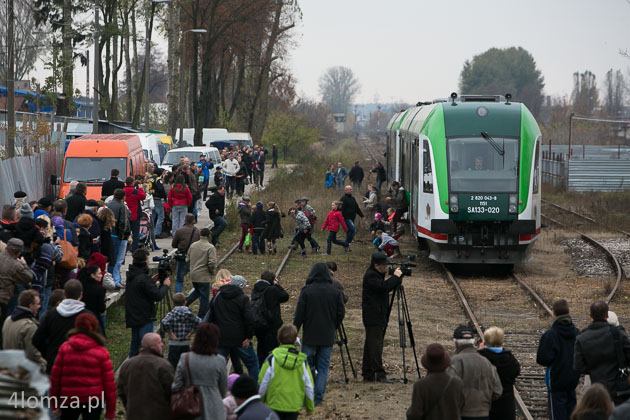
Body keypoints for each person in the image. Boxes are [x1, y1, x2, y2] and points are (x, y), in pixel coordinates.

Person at [293, 262, 345, 405]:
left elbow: (299, 315)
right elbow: (341, 312)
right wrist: (333, 325)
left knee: (307, 367)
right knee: (323, 367)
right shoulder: (335, 291)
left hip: (310, 335)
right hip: (327, 335)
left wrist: (295, 331)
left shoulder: (307, 291)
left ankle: (307, 396)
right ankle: (318, 398)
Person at [49, 313, 116, 420]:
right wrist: (110, 411)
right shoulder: (101, 351)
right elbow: (109, 384)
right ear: (94, 327)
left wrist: (55, 404)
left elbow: (55, 379)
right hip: (93, 399)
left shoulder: (65, 348)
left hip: (69, 398)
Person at [32, 280, 97, 374]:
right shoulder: (89, 317)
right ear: (81, 294)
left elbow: (37, 340)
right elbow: (99, 342)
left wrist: (49, 353)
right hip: (80, 365)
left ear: (65, 294)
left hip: (54, 362)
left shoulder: (50, 315)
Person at [574, 300, 630, 404]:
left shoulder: (582, 337)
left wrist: (594, 369)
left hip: (596, 387)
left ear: (590, 315)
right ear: (607, 315)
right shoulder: (619, 334)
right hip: (618, 389)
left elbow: (579, 366)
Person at [172, 322, 228, 420]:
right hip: (214, 408)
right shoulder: (220, 360)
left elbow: (176, 385)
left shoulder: (185, 358)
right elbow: (223, 389)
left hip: (190, 407)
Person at [258, 324, 315, 419]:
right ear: (295, 340)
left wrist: (260, 402)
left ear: (279, 339)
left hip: (274, 404)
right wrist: (310, 407)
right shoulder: (302, 362)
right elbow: (309, 386)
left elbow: (263, 383)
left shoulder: (271, 360)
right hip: (294, 405)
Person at [536, 299, 580, 420]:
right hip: (572, 379)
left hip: (556, 380)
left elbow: (542, 359)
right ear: (569, 312)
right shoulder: (576, 333)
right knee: (571, 412)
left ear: (554, 312)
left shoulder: (550, 334)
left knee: (557, 413)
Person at [361, 252, 402, 382]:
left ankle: (368, 372)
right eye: (384, 265)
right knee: (375, 345)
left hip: (377, 314)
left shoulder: (374, 274)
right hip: (374, 316)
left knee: (371, 344)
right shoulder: (371, 276)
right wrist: (395, 278)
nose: (385, 267)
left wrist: (394, 278)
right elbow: (383, 287)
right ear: (376, 265)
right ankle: (379, 373)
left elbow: (383, 286)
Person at [447, 325, 503, 420]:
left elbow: (448, 390)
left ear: (455, 343)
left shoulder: (453, 362)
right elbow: (497, 391)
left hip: (460, 414)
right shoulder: (487, 362)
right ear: (473, 342)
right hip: (483, 415)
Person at [210, 275, 260, 379]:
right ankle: (254, 389)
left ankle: (217, 388)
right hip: (240, 339)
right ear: (240, 286)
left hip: (221, 338)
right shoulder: (243, 298)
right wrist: (249, 337)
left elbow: (211, 314)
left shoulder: (218, 296)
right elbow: (249, 319)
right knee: (252, 363)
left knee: (217, 365)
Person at [125, 248, 171, 357]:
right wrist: (165, 286)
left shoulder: (132, 275)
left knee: (135, 346)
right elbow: (158, 295)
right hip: (145, 316)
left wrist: (150, 282)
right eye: (147, 259)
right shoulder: (143, 279)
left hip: (133, 315)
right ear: (143, 261)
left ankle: (131, 368)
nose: (148, 262)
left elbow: (140, 289)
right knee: (146, 346)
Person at [117, 332, 174, 420]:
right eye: (159, 342)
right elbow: (171, 391)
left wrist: (129, 406)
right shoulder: (163, 365)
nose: (162, 344)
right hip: (159, 415)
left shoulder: (127, 365)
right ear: (152, 346)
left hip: (133, 414)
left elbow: (121, 390)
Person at [406, 343, 465, 420]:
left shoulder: (420, 385)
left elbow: (414, 414)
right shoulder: (457, 383)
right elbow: (461, 406)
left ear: (427, 363)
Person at [478, 326, 521, 420]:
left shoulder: (480, 358)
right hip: (506, 404)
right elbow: (516, 372)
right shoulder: (510, 359)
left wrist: (480, 351)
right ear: (501, 341)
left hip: (484, 403)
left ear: (485, 342)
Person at [0, 238, 34, 347]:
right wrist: (24, 264)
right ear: (19, 252)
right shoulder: (16, 265)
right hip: (2, 300)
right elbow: (29, 277)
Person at [251, 270, 290, 366]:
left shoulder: (256, 289)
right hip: (272, 326)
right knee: (272, 351)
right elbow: (285, 296)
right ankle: (270, 370)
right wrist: (277, 284)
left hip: (260, 324)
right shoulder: (273, 289)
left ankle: (261, 371)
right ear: (273, 280)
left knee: (261, 349)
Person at [2, 290, 46, 371]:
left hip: (7, 368)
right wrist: (43, 366)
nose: (40, 306)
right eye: (38, 304)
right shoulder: (30, 326)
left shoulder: (8, 320)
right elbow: (32, 354)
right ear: (30, 305)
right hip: (21, 372)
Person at [161, 292, 202, 368]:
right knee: (185, 365)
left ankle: (173, 378)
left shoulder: (171, 313)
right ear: (185, 302)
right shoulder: (189, 313)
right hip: (185, 343)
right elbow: (200, 322)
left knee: (173, 365)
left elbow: (164, 322)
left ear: (173, 303)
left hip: (173, 343)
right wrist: (191, 332)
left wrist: (170, 333)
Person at [186, 227, 216, 317]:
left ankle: (185, 302)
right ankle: (201, 316)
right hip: (203, 276)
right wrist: (212, 271)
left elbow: (187, 259)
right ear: (209, 235)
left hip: (194, 274)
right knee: (204, 298)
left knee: (198, 291)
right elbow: (212, 262)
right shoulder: (210, 247)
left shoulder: (193, 245)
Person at [106, 188, 130, 287]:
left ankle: (113, 279)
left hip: (110, 234)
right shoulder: (122, 207)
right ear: (123, 197)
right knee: (118, 260)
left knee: (112, 258)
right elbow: (123, 223)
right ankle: (116, 281)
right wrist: (124, 235)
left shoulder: (108, 205)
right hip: (119, 236)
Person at [171, 213, 200, 293]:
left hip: (182, 257)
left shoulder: (180, 230)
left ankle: (178, 297)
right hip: (194, 258)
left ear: (185, 220)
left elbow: (173, 244)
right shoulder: (198, 231)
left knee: (179, 279)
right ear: (194, 221)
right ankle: (195, 294)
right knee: (197, 280)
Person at [77, 265, 107, 332]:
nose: (101, 275)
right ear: (92, 275)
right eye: (99, 273)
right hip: (94, 319)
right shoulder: (99, 289)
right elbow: (101, 309)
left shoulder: (81, 287)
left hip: (80, 318)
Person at [123, 177, 146, 252]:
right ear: (132, 183)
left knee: (125, 233)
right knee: (135, 234)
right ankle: (134, 249)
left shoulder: (123, 191)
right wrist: (140, 188)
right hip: (135, 215)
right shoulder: (135, 191)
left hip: (125, 215)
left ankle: (125, 248)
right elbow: (143, 196)